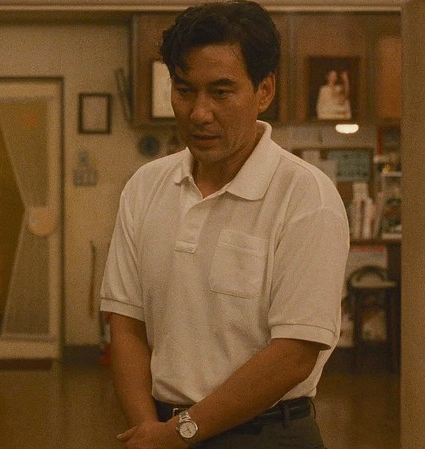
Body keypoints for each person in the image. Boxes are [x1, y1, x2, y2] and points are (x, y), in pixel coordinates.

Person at [99, 1, 349, 448]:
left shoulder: (305, 196)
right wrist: (150, 431)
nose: (199, 113)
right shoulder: (146, 187)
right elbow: (127, 325)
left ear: (264, 90)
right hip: (160, 431)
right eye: (184, 90)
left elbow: (294, 353)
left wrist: (180, 432)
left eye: (221, 92)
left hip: (267, 434)